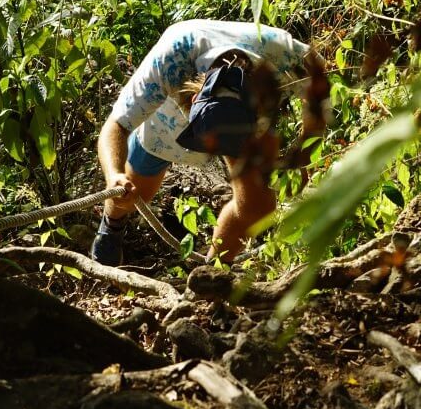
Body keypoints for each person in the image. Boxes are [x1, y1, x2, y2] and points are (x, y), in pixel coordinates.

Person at [91, 19, 325, 267]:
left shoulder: (284, 56)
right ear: (193, 99)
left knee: (257, 208)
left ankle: (212, 274)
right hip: (165, 128)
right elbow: (116, 126)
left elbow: (320, 87)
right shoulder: (173, 55)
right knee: (130, 194)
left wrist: (303, 159)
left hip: (241, 129)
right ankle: (111, 226)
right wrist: (114, 175)